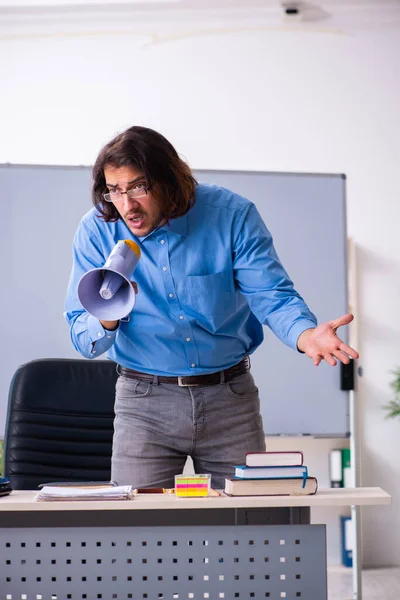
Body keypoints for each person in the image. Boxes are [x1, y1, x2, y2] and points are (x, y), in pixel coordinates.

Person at [65, 125, 359, 489]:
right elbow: (84, 338)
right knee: (138, 536)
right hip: (143, 406)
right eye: (114, 191)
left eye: (139, 187)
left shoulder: (230, 215)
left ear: (169, 180)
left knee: (252, 530)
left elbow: (272, 294)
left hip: (229, 401)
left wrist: (305, 334)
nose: (126, 206)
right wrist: (107, 319)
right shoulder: (98, 229)